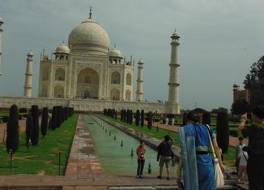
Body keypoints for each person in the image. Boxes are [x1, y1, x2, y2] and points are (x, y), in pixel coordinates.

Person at [177, 111, 224, 190]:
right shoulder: (207, 128)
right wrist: (221, 163)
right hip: (207, 164)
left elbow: (184, 153)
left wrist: (179, 171)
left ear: (188, 120)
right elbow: (216, 147)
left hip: (193, 166)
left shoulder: (186, 130)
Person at [239, 106, 264, 190]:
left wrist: (243, 120)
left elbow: (241, 131)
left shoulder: (254, 128)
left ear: (256, 116)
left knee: (254, 184)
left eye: (253, 115)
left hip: (254, 161)